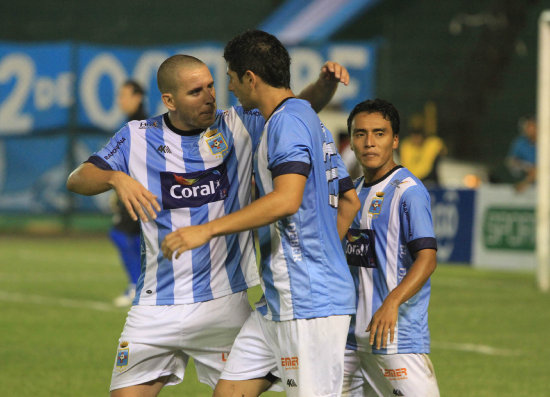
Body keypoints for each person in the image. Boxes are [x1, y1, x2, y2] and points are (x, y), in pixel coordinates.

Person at [66, 53, 349, 397]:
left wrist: (324, 85)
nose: (209, 96)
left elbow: (291, 108)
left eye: (211, 86)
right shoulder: (137, 136)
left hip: (225, 306)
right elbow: (78, 178)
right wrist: (114, 178)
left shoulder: (238, 124)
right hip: (156, 306)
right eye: (195, 91)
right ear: (169, 100)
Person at [161, 30, 361, 397]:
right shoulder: (303, 117)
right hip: (280, 298)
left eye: (231, 79)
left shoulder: (286, 125)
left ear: (250, 78)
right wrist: (322, 253)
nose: (230, 89)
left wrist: (206, 231)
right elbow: (350, 200)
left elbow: (286, 201)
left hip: (307, 301)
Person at [341, 99, 440, 396]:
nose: (369, 142)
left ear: (395, 140)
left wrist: (392, 302)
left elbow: (427, 259)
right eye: (360, 134)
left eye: (379, 133)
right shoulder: (353, 192)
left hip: (397, 338)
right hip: (350, 343)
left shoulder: (409, 191)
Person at [110, 80, 147, 307]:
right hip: (136, 189)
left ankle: (136, 286)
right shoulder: (133, 121)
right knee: (132, 237)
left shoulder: (138, 124)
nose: (120, 100)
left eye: (124, 95)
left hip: (137, 190)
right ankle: (138, 285)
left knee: (120, 235)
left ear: (137, 97)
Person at [398, 114, 446, 188]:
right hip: (411, 181)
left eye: (419, 134)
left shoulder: (433, 143)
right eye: (414, 134)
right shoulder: (406, 145)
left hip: (429, 181)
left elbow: (443, 151)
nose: (416, 137)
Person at [506, 115, 536, 192]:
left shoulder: (546, 140)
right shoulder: (520, 142)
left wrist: (525, 183)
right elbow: (511, 161)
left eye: (531, 126)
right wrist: (527, 167)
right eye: (526, 127)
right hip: (527, 177)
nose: (528, 129)